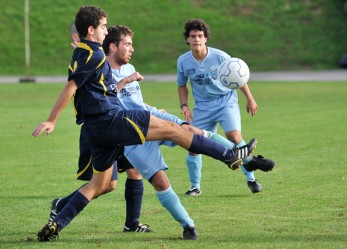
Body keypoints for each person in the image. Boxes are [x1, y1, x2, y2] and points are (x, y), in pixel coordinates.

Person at [32, 6, 256, 242]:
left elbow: (86, 76)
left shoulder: (84, 53)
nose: (105, 31)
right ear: (91, 29)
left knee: (99, 184)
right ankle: (228, 155)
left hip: (96, 130)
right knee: (174, 130)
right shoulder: (94, 55)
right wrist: (51, 120)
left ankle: (57, 222)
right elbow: (71, 86)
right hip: (112, 119)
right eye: (103, 27)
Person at [52, 23, 152, 233]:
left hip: (119, 124)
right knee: (105, 185)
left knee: (134, 172)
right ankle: (61, 206)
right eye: (127, 44)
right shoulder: (96, 61)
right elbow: (101, 92)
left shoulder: (117, 63)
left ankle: (132, 224)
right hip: (100, 129)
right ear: (112, 46)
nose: (131, 49)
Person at [176, 18, 275, 196]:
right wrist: (184, 105)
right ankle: (195, 187)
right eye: (193, 36)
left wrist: (250, 99)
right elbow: (181, 85)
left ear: (206, 38)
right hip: (202, 107)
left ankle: (251, 178)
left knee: (235, 137)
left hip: (225, 101)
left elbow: (239, 77)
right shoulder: (183, 61)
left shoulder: (220, 57)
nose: (197, 39)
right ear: (187, 40)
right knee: (193, 145)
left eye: (200, 35)